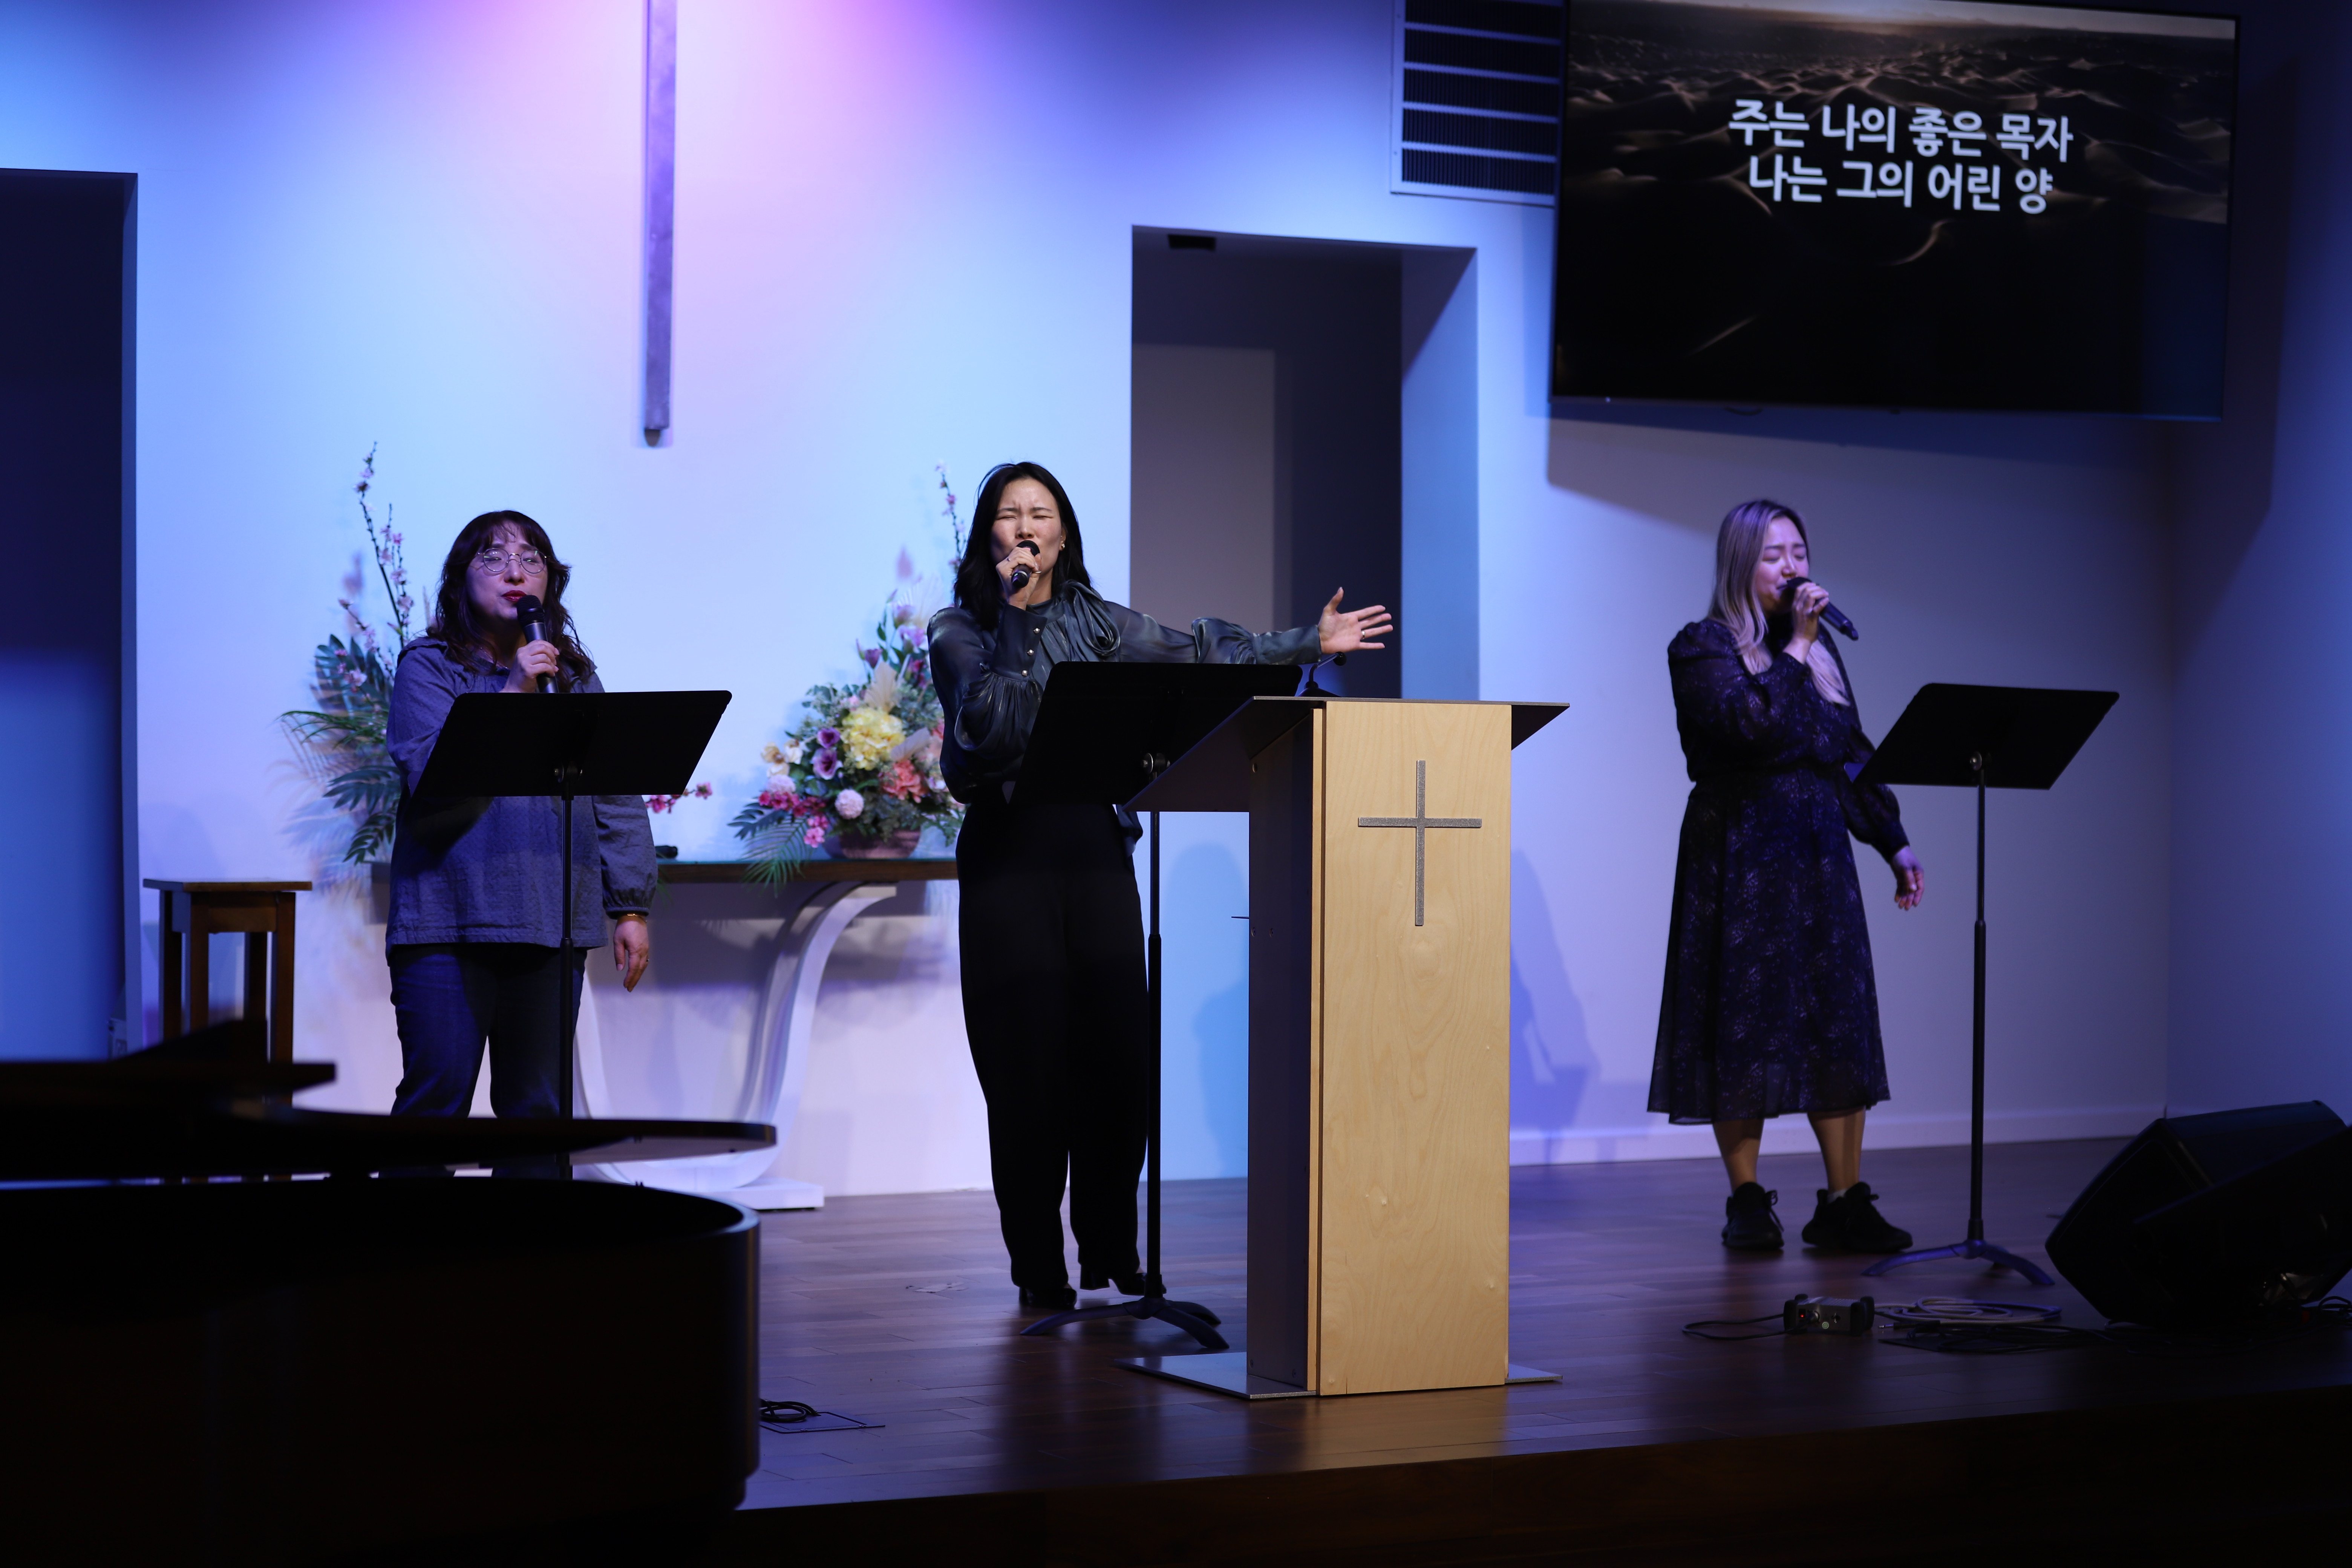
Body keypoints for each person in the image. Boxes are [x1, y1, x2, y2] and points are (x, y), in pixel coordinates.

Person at [929, 461, 1393, 1308]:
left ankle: (1111, 1246)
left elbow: (1204, 652)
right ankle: (1039, 1267)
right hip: (1009, 856)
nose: (1026, 527)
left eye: (1042, 513)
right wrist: (1014, 615)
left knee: (1117, 1061)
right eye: (1010, 514)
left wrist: (1308, 642)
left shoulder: (1103, 624)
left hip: (1094, 849)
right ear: (988, 534)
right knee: (1026, 1070)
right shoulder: (959, 629)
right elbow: (990, 725)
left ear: (1064, 532)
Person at [1650, 499, 1925, 1252]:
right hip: (1739, 857)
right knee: (1741, 1021)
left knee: (1836, 1020)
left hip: (1817, 858)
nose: (1792, 566)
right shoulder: (1703, 646)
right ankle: (1746, 1199)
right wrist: (1799, 646)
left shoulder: (1822, 653)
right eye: (1774, 555)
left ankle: (1844, 1201)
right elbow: (1753, 726)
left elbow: (1848, 754)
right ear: (1742, 564)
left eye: (1799, 551)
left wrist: (1893, 841)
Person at [384, 510, 657, 1170]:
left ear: (549, 582)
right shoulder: (429, 668)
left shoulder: (573, 679)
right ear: (460, 579)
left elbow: (614, 795)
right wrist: (513, 689)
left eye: (531, 559)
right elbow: (432, 774)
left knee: (539, 1114)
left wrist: (630, 906)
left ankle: (533, 1239)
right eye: (493, 557)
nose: (515, 571)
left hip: (549, 921)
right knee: (435, 1104)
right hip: (446, 923)